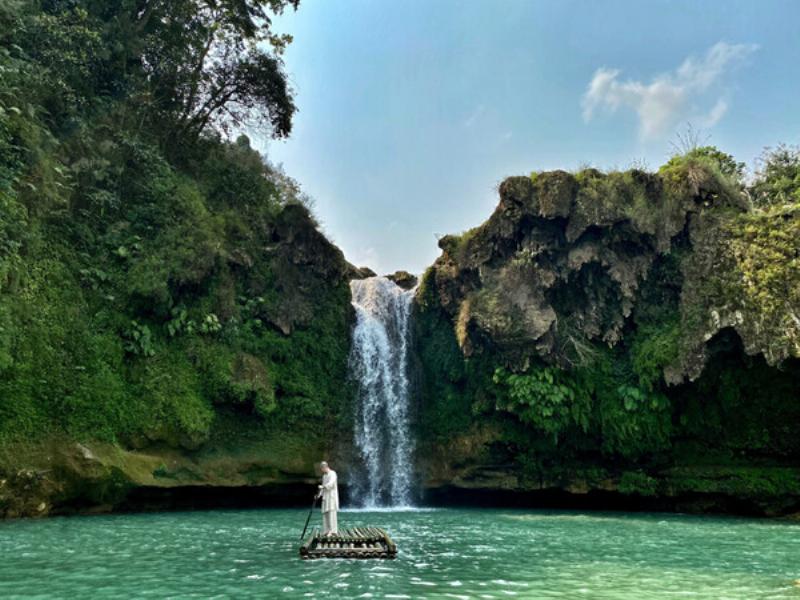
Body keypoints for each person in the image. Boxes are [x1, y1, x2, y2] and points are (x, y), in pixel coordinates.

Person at [317, 461, 339, 537]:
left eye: (322, 469)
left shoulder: (333, 473)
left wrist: (323, 487)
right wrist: (319, 495)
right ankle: (326, 530)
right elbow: (323, 487)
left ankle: (333, 531)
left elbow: (331, 483)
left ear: (325, 467)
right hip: (325, 497)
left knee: (331, 513)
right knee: (325, 513)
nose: (322, 471)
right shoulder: (324, 476)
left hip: (332, 496)